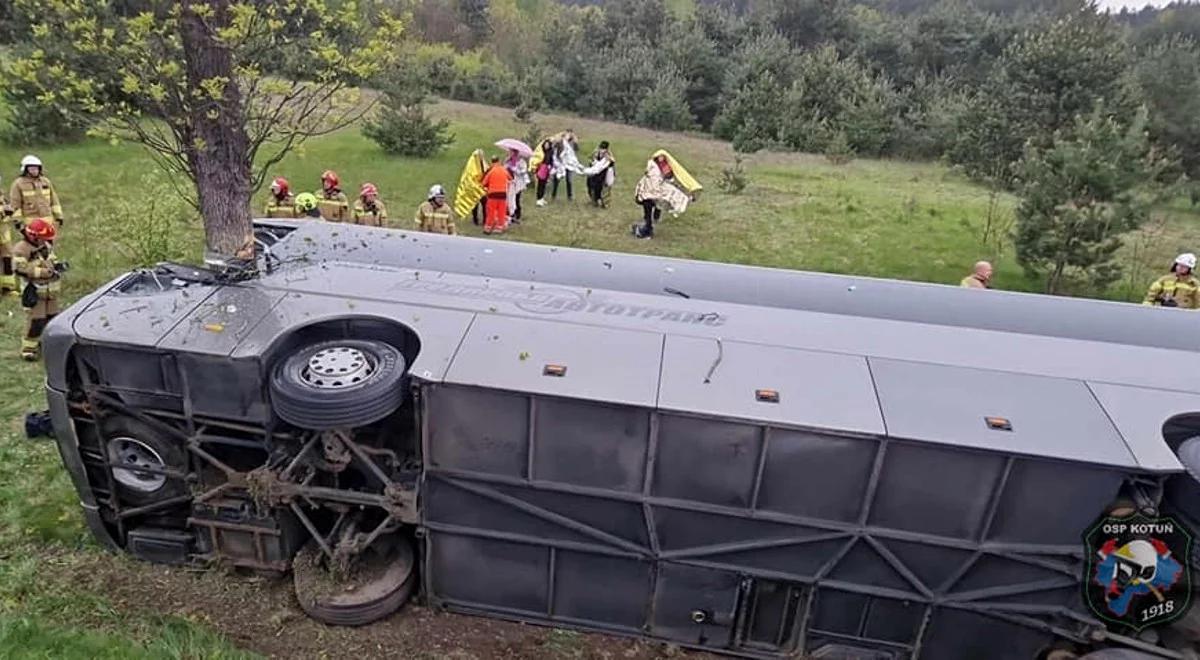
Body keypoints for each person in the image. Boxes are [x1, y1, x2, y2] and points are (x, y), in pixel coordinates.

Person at [13, 219, 63, 361]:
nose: (45, 242)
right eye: (42, 239)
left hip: (51, 291)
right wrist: (42, 272)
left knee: (53, 319)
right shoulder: (21, 249)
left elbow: (51, 260)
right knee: (37, 321)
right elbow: (20, 269)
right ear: (33, 236)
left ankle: (49, 344)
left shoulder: (46, 245)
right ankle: (29, 349)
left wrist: (57, 266)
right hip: (35, 292)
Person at [632, 151, 696, 239]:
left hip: (651, 192)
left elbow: (669, 180)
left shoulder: (661, 167)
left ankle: (648, 229)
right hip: (649, 192)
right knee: (649, 207)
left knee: (651, 206)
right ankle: (648, 227)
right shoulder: (655, 166)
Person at [10, 155, 64, 227]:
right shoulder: (18, 184)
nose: (35, 171)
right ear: (25, 170)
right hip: (30, 221)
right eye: (32, 169)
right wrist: (18, 221)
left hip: (47, 220)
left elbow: (54, 200)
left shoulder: (45, 181)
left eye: (36, 168)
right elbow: (15, 204)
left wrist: (59, 216)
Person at [454, 149, 488, 226]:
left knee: (484, 204)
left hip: (482, 188)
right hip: (474, 188)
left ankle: (485, 220)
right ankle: (475, 219)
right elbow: (469, 177)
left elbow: (487, 172)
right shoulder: (471, 166)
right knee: (475, 204)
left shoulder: (483, 164)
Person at [481, 156, 512, 235]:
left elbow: (484, 183)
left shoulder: (491, 171)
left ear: (492, 162)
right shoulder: (504, 170)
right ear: (499, 161)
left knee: (491, 211)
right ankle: (499, 227)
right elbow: (510, 178)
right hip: (502, 194)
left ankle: (488, 227)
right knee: (501, 211)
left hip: (492, 194)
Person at [585, 141, 616, 208]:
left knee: (604, 189)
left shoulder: (608, 155)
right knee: (593, 187)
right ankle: (594, 201)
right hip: (595, 175)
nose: (602, 150)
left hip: (604, 176)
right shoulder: (595, 152)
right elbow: (590, 160)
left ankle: (605, 203)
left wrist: (609, 160)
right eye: (601, 148)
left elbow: (612, 163)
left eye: (604, 149)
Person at [505, 148, 530, 224]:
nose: (510, 153)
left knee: (516, 199)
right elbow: (504, 168)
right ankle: (510, 214)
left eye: (511, 152)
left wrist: (515, 169)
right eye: (509, 152)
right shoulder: (508, 160)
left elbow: (523, 171)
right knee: (509, 198)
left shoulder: (521, 162)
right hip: (510, 182)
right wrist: (507, 167)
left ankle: (517, 214)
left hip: (518, 183)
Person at [0, 178, 15, 296]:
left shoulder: (1, 195)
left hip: (4, 235)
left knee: (7, 260)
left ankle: (8, 287)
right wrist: (3, 211)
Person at [534, 139, 554, 207]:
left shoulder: (550, 152)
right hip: (541, 169)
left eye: (548, 145)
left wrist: (551, 166)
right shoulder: (541, 152)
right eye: (545, 144)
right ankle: (538, 199)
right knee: (540, 184)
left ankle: (541, 198)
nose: (546, 146)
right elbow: (537, 159)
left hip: (547, 169)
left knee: (544, 184)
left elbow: (551, 160)